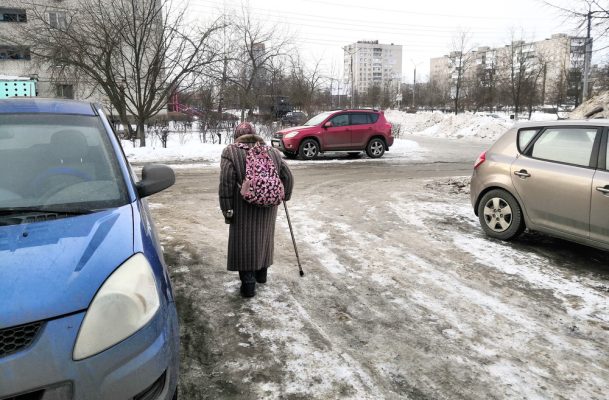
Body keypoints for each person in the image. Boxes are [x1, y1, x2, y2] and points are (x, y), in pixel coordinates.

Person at [219, 122, 294, 298]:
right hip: (269, 207)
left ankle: (248, 285)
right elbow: (287, 177)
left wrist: (227, 208)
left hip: (242, 207)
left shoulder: (231, 151)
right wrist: (284, 196)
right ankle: (262, 276)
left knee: (244, 243)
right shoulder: (272, 152)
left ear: (237, 135)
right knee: (264, 239)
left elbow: (226, 182)